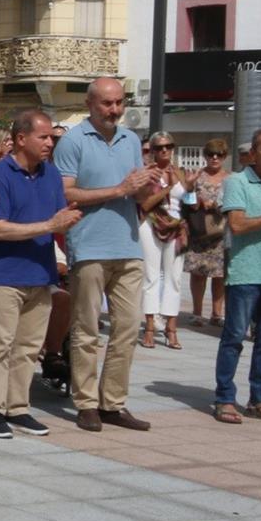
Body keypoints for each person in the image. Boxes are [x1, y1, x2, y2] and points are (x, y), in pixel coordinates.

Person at [56, 77, 155, 433]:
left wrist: (147, 187)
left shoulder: (131, 139)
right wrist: (118, 189)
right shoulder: (72, 140)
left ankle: (112, 403)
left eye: (119, 102)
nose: (114, 110)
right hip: (89, 247)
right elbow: (66, 193)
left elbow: (137, 194)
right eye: (107, 103)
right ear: (90, 104)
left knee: (127, 328)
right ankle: (86, 403)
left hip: (128, 246)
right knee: (86, 330)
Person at [0, 110, 81, 438]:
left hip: (40, 273)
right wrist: (50, 225)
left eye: (51, 137)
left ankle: (18, 407)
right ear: (21, 139)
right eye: (43, 137)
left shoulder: (51, 174)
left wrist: (65, 223)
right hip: (4, 274)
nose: (50, 142)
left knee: (28, 347)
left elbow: (58, 217)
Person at [215, 128, 261, 423]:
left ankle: (260, 399)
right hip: (246, 273)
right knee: (234, 337)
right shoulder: (237, 182)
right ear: (253, 154)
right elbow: (238, 225)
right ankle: (224, 398)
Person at [138, 132, 187, 350]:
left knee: (174, 278)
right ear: (152, 151)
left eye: (168, 146)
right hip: (150, 223)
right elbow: (145, 204)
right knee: (151, 276)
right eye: (158, 147)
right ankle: (150, 327)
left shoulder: (181, 172)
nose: (164, 150)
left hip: (176, 227)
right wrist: (168, 188)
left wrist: (190, 189)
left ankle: (171, 328)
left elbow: (191, 203)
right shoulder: (147, 173)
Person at [188, 138, 232, 327]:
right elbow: (187, 199)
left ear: (225, 156)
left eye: (219, 154)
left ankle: (216, 313)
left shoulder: (231, 178)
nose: (215, 158)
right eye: (210, 154)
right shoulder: (197, 176)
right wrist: (198, 200)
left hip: (222, 231)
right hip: (200, 231)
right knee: (198, 273)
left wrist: (217, 205)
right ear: (205, 156)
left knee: (220, 275)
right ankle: (197, 313)